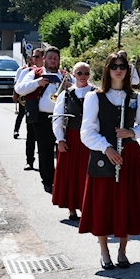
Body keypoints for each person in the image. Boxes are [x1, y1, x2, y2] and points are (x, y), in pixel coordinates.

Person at [79, 52, 140, 270]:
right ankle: (104, 251)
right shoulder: (95, 97)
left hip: (129, 156)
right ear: (107, 70)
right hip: (104, 156)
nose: (118, 70)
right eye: (113, 66)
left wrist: (132, 132)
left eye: (122, 66)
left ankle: (122, 250)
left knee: (126, 203)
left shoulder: (137, 98)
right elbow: (86, 132)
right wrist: (107, 147)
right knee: (102, 204)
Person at [15, 46, 72, 193]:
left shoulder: (65, 75)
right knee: (45, 150)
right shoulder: (35, 73)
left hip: (62, 118)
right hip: (42, 118)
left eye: (56, 58)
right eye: (50, 58)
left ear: (59, 60)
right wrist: (37, 83)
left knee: (64, 150)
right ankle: (48, 180)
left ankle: (62, 179)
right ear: (44, 59)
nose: (53, 61)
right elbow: (20, 89)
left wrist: (69, 88)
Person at [52, 62, 95, 221]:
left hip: (91, 138)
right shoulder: (66, 94)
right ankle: (71, 208)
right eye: (79, 73)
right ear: (73, 74)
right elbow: (57, 118)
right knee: (71, 173)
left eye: (86, 73)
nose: (83, 76)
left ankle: (87, 208)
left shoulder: (96, 93)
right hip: (71, 137)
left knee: (89, 173)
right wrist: (60, 139)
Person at [18, 49, 43, 168]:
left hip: (45, 109)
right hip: (32, 106)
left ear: (43, 58)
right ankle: (29, 161)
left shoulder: (52, 72)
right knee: (31, 135)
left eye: (37, 56)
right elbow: (19, 86)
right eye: (33, 56)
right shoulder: (28, 72)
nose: (34, 58)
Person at [13, 55, 33, 139]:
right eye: (30, 59)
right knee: (21, 113)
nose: (31, 61)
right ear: (27, 60)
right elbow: (16, 83)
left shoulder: (37, 69)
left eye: (33, 59)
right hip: (23, 95)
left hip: (32, 94)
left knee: (31, 115)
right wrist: (14, 94)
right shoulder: (21, 70)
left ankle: (31, 134)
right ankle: (16, 130)